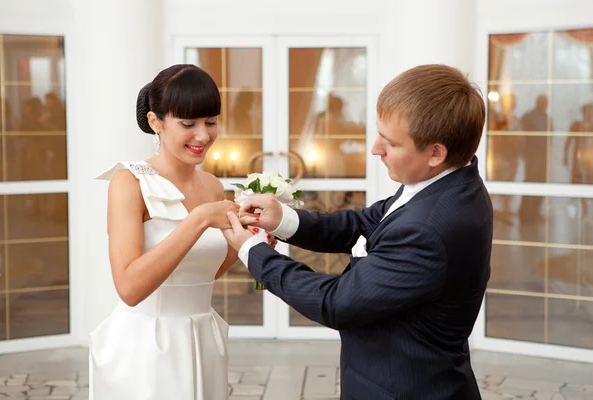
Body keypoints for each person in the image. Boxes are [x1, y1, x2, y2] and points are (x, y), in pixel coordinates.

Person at [223, 64, 492, 399]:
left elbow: (335, 302)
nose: (375, 149)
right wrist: (284, 220)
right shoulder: (448, 183)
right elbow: (365, 222)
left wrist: (253, 251)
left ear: (436, 153)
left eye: (390, 143)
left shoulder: (428, 229)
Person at [89, 64, 258, 399]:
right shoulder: (130, 182)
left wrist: (246, 240)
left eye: (210, 122)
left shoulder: (212, 185)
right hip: (145, 348)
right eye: (188, 124)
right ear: (156, 123)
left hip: (203, 338)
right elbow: (129, 288)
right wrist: (197, 221)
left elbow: (202, 272)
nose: (203, 135)